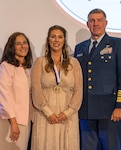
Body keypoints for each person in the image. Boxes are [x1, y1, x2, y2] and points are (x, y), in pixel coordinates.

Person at [74, 8, 121, 150]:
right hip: (85, 109)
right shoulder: (79, 48)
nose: (96, 24)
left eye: (99, 20)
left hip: (109, 110)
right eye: (92, 20)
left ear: (106, 23)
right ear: (87, 24)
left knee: (111, 146)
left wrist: (119, 106)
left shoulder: (117, 44)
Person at [31, 25, 83, 150]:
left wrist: (68, 112)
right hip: (45, 116)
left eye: (60, 37)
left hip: (68, 117)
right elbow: (36, 89)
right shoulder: (40, 62)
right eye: (53, 37)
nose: (56, 40)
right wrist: (48, 112)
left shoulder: (74, 63)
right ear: (48, 39)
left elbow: (79, 90)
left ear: (64, 40)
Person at [0, 32, 33, 150]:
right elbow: (4, 96)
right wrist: (13, 122)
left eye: (24, 43)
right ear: (11, 47)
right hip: (10, 121)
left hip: (25, 120)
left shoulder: (27, 68)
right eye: (18, 44)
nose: (22, 46)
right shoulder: (6, 66)